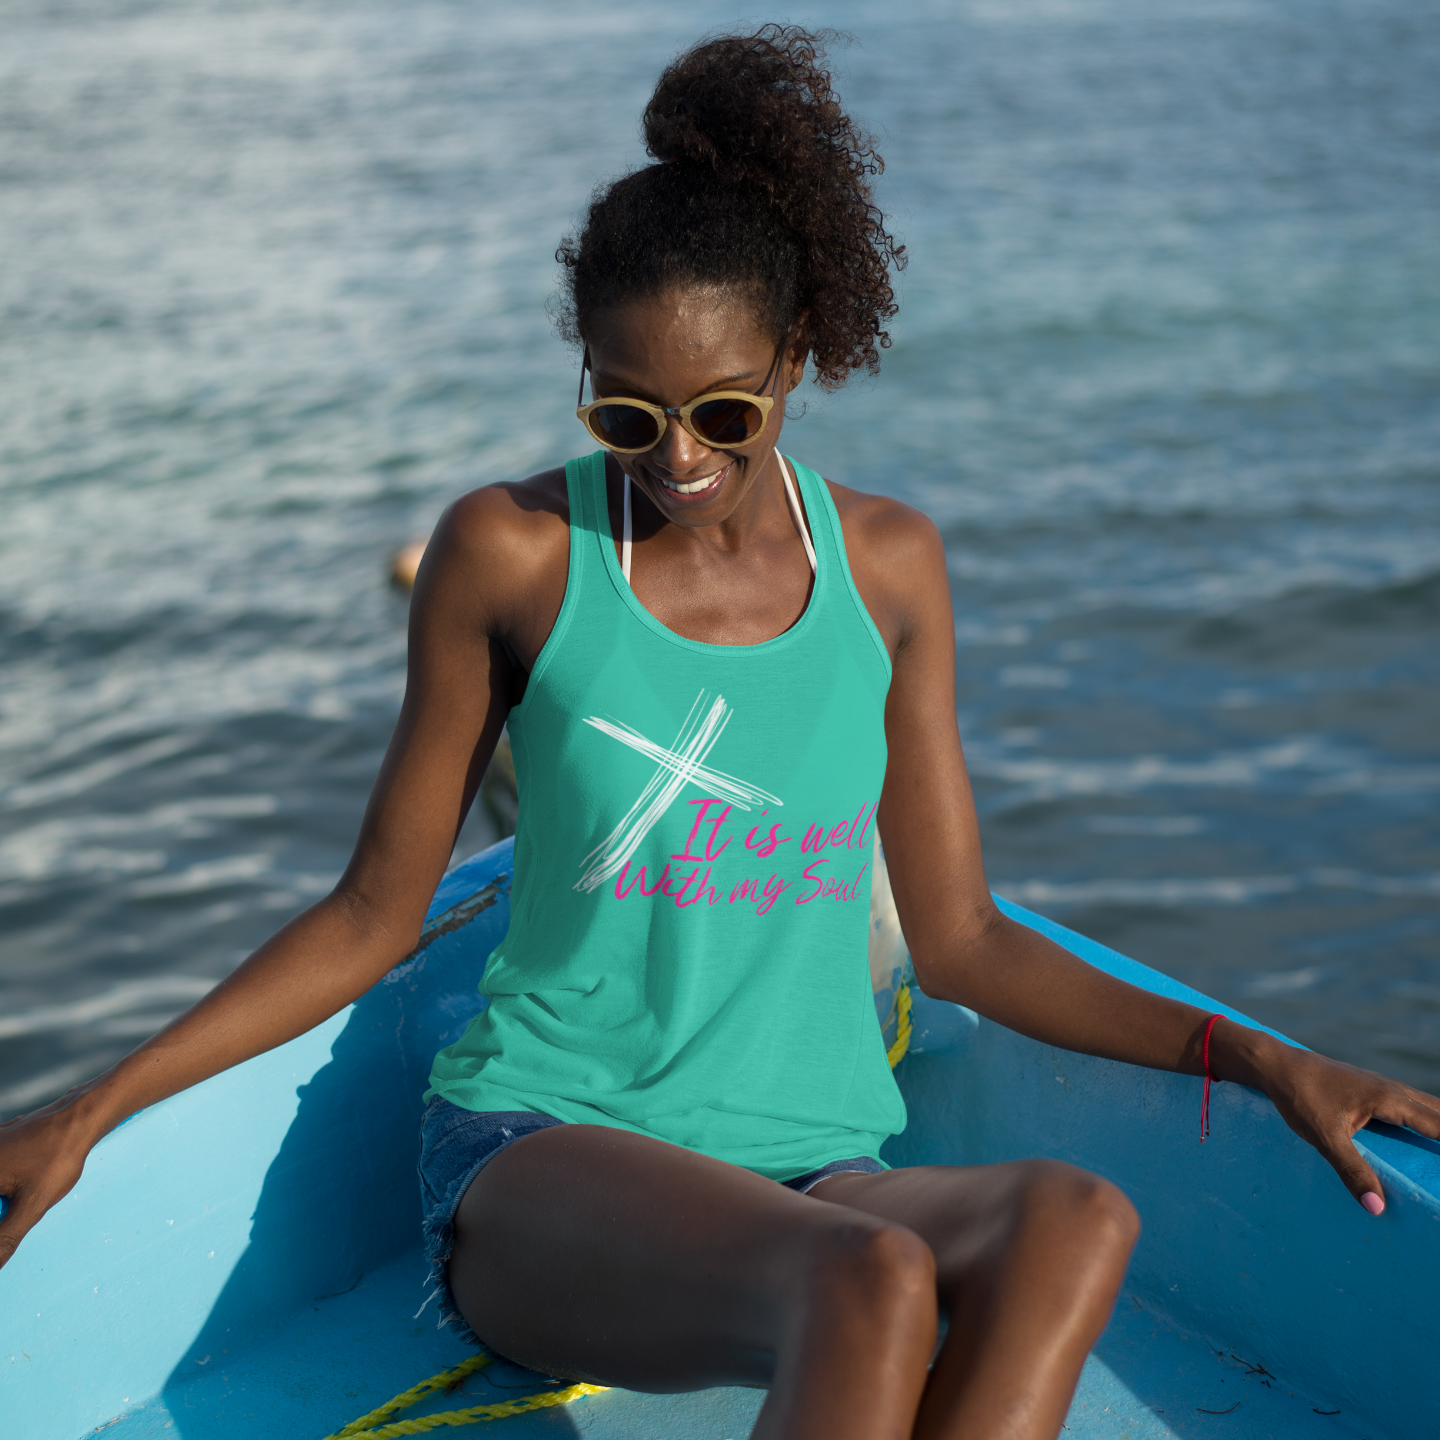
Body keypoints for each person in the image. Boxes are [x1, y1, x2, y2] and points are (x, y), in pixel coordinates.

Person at [2, 27, 1437, 1440]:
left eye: (722, 411)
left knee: (1076, 1218)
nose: (678, 461)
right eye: (629, 415)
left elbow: (965, 944)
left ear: (797, 358)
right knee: (870, 1283)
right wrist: (95, 1105)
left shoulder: (890, 570)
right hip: (543, 1153)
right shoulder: (513, 555)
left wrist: (1254, 1055)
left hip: (809, 1172)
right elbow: (377, 911)